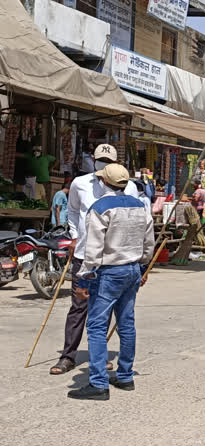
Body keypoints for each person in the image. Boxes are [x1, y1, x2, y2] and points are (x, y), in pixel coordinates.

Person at [67, 164, 154, 400]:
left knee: (96, 326)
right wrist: (143, 267)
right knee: (126, 324)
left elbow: (93, 248)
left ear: (104, 182)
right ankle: (125, 375)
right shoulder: (140, 205)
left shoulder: (99, 207)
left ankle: (98, 383)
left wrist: (85, 277)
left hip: (108, 271)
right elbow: (149, 242)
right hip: (132, 269)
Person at [49, 144, 139, 375]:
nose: (103, 165)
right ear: (93, 160)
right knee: (78, 306)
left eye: (108, 162)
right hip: (83, 254)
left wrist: (139, 263)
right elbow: (72, 212)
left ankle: (99, 357)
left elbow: (137, 224)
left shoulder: (128, 188)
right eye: (100, 160)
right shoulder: (80, 183)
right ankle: (68, 356)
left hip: (112, 259)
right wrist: (74, 236)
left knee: (104, 309)